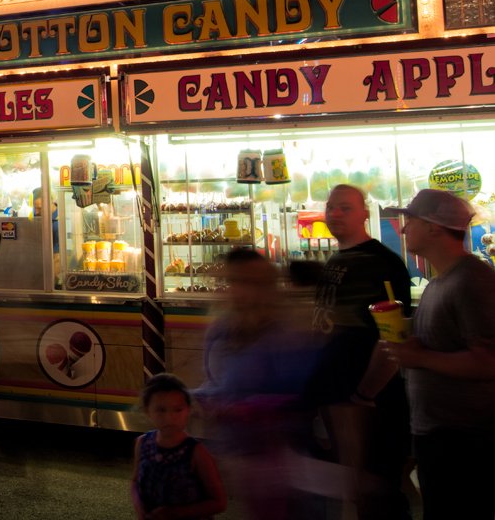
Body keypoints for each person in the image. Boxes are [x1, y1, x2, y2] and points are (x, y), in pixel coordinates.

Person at [376, 189, 495, 519]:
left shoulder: (472, 280)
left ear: (433, 227)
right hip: (438, 433)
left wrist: (420, 359)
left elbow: (489, 361)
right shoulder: (438, 283)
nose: (402, 229)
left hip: (465, 440)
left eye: (409, 220)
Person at [306, 184, 413, 519]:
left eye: (346, 208)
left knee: (376, 492)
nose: (335, 214)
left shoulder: (381, 263)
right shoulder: (337, 259)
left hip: (368, 403)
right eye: (331, 207)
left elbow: (392, 338)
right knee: (356, 491)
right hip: (338, 399)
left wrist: (365, 395)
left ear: (365, 213)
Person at [195, 248, 323, 520]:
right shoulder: (222, 329)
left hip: (281, 457)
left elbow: (301, 391)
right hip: (241, 453)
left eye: (243, 282)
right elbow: (217, 380)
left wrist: (245, 409)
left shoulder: (287, 330)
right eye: (230, 282)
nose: (233, 290)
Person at [131, 373, 227, 520]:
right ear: (147, 411)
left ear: (188, 410)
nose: (170, 418)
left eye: (177, 410)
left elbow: (219, 502)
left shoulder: (196, 452)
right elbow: (136, 482)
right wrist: (141, 511)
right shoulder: (142, 443)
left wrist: (175, 513)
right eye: (161, 410)